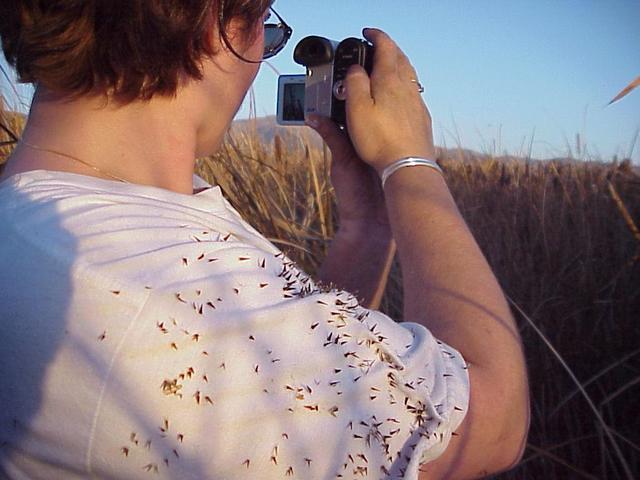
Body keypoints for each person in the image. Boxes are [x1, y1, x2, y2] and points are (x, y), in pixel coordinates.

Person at [0, 1, 529, 478]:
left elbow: (303, 367)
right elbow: (495, 419)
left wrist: (367, 229)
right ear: (213, 23)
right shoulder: (155, 284)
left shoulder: (64, 216)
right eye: (266, 30)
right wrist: (410, 163)